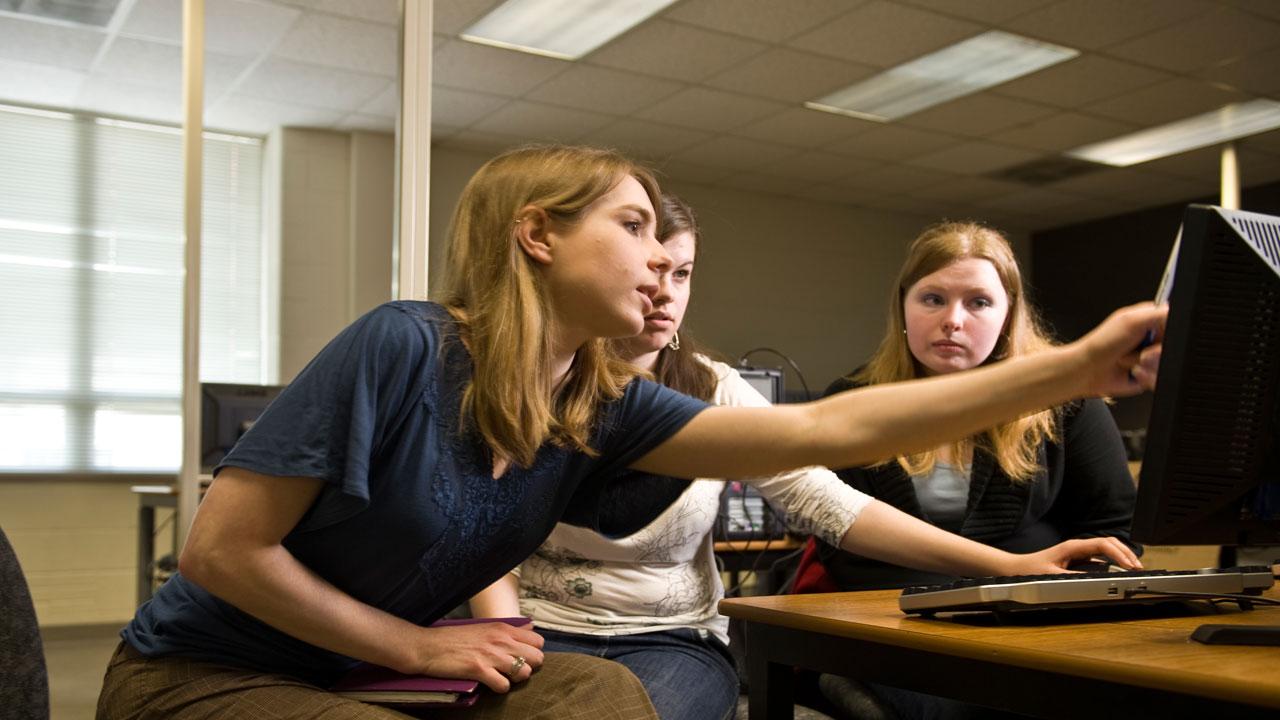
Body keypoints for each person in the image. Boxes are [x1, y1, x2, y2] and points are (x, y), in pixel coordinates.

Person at [96, 145, 1163, 720]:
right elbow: (218, 551)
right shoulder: (405, 346)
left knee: (604, 695)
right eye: (635, 228)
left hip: (377, 670)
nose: (664, 263)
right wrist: (419, 642)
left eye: (669, 243)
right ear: (537, 237)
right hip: (212, 673)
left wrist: (1069, 367)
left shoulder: (598, 405)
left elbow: (830, 430)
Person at [469, 201, 1143, 720]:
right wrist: (499, 632)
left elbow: (826, 493)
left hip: (671, 637)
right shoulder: (508, 381)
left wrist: (1014, 570)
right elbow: (476, 523)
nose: (662, 294)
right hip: (538, 629)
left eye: (681, 273)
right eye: (648, 271)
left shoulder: (717, 389)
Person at [791, 220, 1141, 720]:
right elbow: (842, 541)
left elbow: (1112, 532)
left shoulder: (1066, 403)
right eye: (933, 299)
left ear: (1007, 315)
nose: (953, 320)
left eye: (978, 302)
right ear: (904, 307)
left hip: (1034, 621)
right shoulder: (851, 402)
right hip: (894, 624)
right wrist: (979, 582)